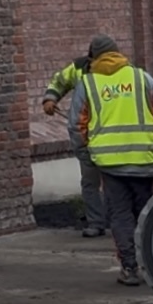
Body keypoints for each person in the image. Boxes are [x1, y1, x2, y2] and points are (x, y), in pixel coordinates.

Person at [76, 33, 153, 286]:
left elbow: (78, 125)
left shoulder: (88, 84)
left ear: (93, 57)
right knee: (148, 214)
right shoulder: (142, 78)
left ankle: (130, 269)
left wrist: (86, 155)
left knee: (120, 216)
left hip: (111, 164)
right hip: (146, 160)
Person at [42, 52, 107, 237]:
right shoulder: (80, 68)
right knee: (90, 182)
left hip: (108, 138)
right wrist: (50, 98)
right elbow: (60, 81)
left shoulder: (120, 73)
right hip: (87, 137)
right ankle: (97, 222)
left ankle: (119, 223)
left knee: (114, 184)